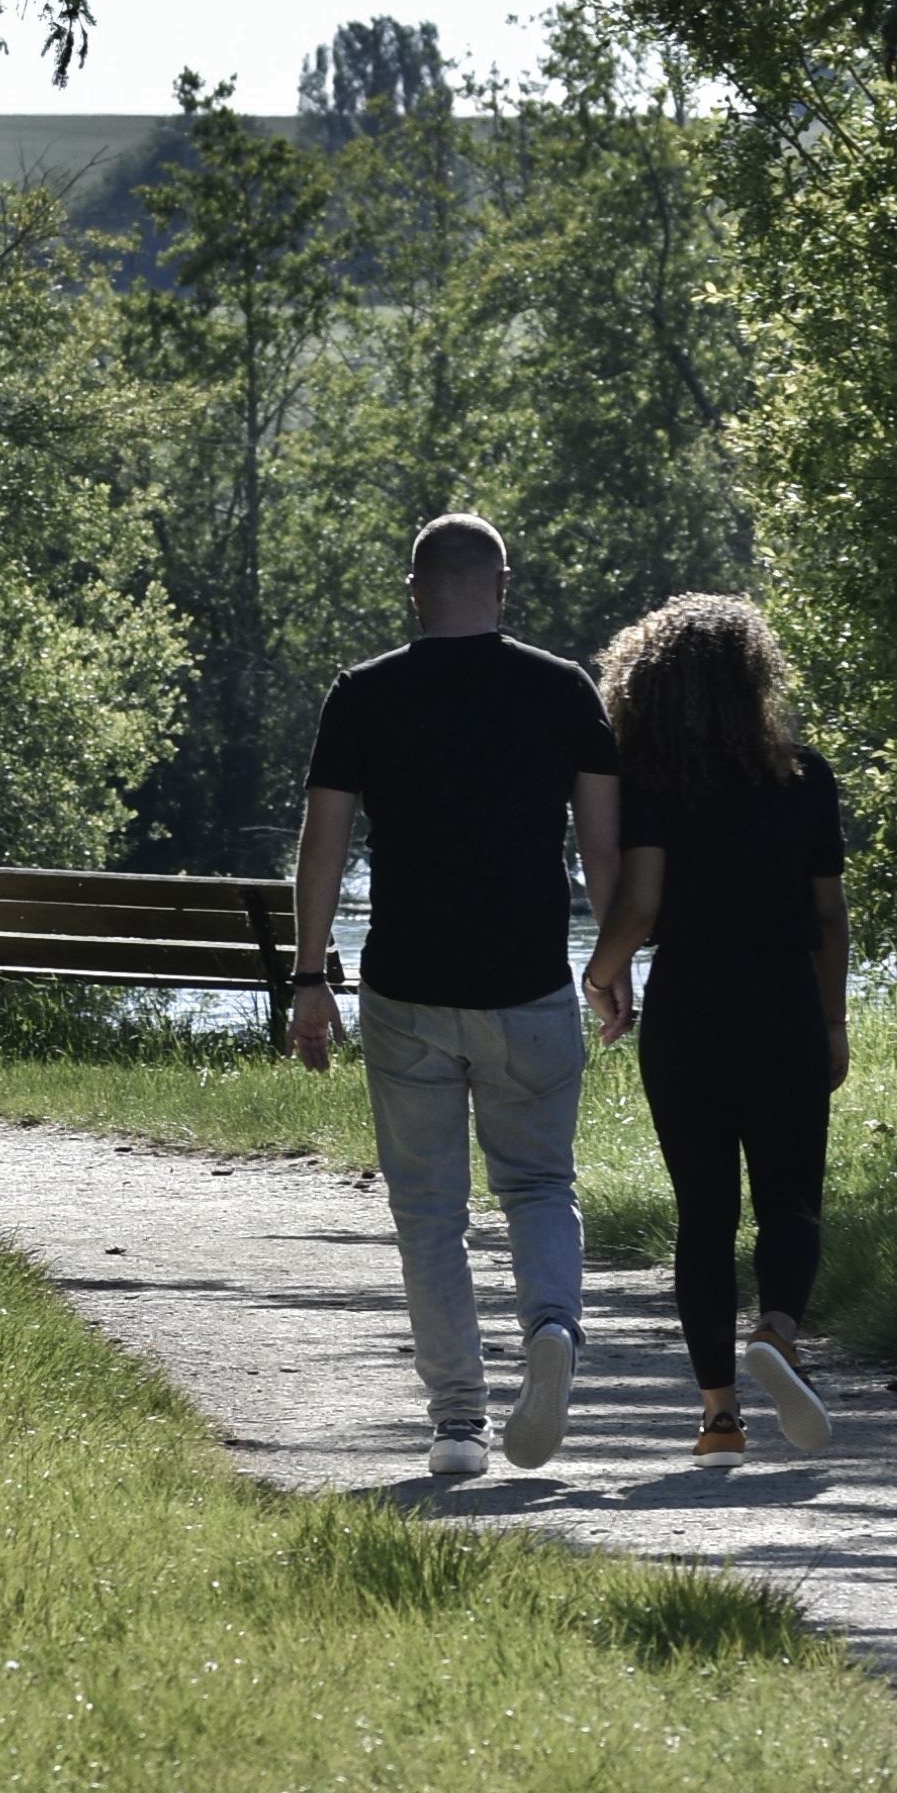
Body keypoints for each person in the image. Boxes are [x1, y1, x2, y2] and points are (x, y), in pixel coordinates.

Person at [294, 514, 618, 1486]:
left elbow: (321, 845)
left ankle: (458, 1425)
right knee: (537, 1186)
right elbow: (603, 850)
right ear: (502, 588)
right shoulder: (564, 690)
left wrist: (311, 979)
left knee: (429, 1212)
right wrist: (613, 963)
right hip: (527, 981)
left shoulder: (363, 693)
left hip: (407, 983)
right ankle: (552, 1326)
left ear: (414, 590)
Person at [581, 591, 847, 1459]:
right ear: (755, 680)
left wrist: (600, 971)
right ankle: (776, 1329)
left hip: (691, 1007)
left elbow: (643, 903)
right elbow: (831, 916)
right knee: (791, 1198)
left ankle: (719, 1418)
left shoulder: (655, 786)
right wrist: (832, 1023)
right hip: (784, 1004)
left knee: (704, 1216)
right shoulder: (806, 777)